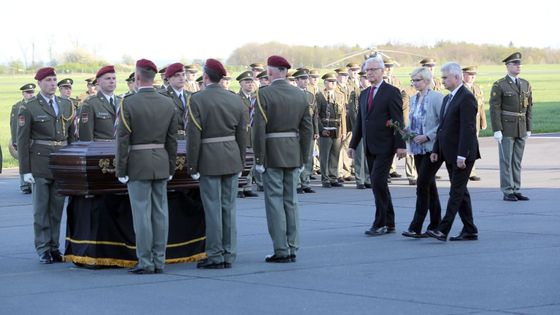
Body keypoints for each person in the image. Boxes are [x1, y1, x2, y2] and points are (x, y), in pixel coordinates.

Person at [116, 59, 178, 274]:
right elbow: (172, 140)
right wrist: (171, 167)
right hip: (161, 161)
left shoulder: (128, 103)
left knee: (142, 213)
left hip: (138, 163)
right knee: (161, 212)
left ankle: (145, 261)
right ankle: (159, 260)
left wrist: (121, 170)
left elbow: (122, 140)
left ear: (138, 77)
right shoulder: (167, 103)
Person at [187, 58, 248, 269]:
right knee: (228, 208)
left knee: (212, 209)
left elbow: (193, 137)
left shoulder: (197, 99)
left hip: (209, 159)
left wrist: (192, 166)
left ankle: (215, 254)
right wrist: (241, 161)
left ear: (205, 77)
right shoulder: (235, 100)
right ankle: (229, 253)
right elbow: (242, 135)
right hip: (231, 157)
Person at [253, 55, 312, 263]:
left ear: (270, 72)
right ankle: (292, 245)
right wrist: (304, 156)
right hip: (293, 152)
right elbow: (307, 129)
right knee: (291, 200)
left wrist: (259, 159)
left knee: (274, 202)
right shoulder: (301, 95)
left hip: (272, 153)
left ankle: (281, 248)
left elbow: (258, 129)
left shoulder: (264, 94)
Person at [17, 67, 76, 263]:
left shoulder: (66, 104)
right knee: (41, 209)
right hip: (40, 163)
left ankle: (54, 247)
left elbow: (70, 137)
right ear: (40, 83)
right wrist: (25, 170)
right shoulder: (29, 106)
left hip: (60, 162)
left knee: (56, 209)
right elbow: (23, 140)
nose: (52, 83)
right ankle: (43, 248)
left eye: (54, 80)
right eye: (48, 80)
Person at [347, 55, 406, 236]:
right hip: (369, 146)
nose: (369, 73)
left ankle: (380, 222)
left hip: (385, 145)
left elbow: (397, 120)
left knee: (378, 182)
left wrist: (401, 145)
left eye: (373, 70)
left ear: (382, 71)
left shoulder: (391, 91)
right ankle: (390, 222)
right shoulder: (364, 94)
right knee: (378, 184)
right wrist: (353, 144)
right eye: (367, 71)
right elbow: (360, 122)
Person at [427, 62, 480, 242]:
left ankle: (443, 229)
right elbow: (442, 127)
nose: (442, 81)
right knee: (461, 191)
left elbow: (468, 129)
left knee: (455, 192)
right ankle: (470, 229)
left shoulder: (466, 98)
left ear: (456, 78)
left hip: (462, 155)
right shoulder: (448, 98)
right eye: (441, 77)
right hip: (449, 153)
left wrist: (462, 155)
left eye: (445, 78)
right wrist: (436, 149)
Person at [401, 67, 444, 238]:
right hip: (418, 149)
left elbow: (444, 123)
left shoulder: (436, 98)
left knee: (422, 185)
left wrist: (428, 136)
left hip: (432, 148)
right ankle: (436, 224)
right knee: (429, 186)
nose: (414, 83)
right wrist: (407, 131)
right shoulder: (413, 99)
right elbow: (414, 121)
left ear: (426, 80)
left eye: (417, 80)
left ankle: (416, 226)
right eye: (413, 80)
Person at [490, 52, 532, 202]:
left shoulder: (525, 84)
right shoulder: (499, 84)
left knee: (516, 161)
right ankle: (507, 190)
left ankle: (516, 188)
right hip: (506, 128)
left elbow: (529, 107)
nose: (518, 66)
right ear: (507, 66)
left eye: (519, 64)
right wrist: (497, 129)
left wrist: (528, 127)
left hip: (521, 127)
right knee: (506, 161)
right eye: (515, 64)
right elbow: (495, 108)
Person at [384, 57, 416, 185]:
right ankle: (389, 171)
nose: (389, 69)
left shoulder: (396, 80)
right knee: (390, 148)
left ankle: (411, 174)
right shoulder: (407, 92)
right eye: (387, 66)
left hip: (403, 122)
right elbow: (403, 109)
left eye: (391, 66)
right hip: (392, 120)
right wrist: (402, 125)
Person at [317, 72, 347, 188]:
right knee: (325, 155)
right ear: (325, 83)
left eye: (334, 81)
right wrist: (320, 129)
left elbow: (343, 114)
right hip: (325, 128)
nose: (332, 83)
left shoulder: (340, 95)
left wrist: (344, 131)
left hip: (337, 129)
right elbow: (316, 115)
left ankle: (333, 177)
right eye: (330, 81)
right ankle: (325, 179)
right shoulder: (320, 95)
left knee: (335, 154)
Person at [78, 65, 121, 141]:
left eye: (114, 78)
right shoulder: (90, 104)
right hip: (100, 149)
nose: (112, 81)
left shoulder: (121, 102)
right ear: (98, 81)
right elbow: (86, 135)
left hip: (120, 149)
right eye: (108, 78)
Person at [293, 68, 318, 194]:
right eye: (302, 79)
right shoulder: (292, 94)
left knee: (307, 157)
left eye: (306, 78)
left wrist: (316, 130)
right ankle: (297, 183)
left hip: (308, 131)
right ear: (296, 80)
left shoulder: (310, 96)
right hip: (296, 130)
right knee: (297, 156)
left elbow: (314, 115)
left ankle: (306, 182)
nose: (305, 81)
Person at [235, 70, 259, 197]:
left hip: (254, 134)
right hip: (243, 133)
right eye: (247, 82)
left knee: (251, 161)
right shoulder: (237, 98)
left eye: (251, 82)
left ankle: (248, 186)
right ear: (240, 84)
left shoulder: (256, 98)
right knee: (242, 161)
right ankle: (239, 187)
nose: (250, 84)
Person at [10, 83, 36, 194]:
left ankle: (34, 183)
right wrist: (15, 140)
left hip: (35, 138)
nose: (30, 95)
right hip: (22, 138)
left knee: (35, 161)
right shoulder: (17, 106)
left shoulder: (37, 105)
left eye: (32, 92)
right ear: (23, 93)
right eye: (27, 93)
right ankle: (25, 185)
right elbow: (14, 124)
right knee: (23, 160)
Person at [462, 66, 487, 181]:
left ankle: (471, 171)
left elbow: (481, 106)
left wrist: (483, 121)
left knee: (473, 147)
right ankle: (463, 170)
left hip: (475, 123)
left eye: (474, 75)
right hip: (464, 122)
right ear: (464, 75)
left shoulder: (477, 89)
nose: (472, 77)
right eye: (469, 74)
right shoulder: (460, 88)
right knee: (463, 146)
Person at [159, 62, 190, 140]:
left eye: (183, 74)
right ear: (169, 78)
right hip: (172, 139)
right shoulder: (162, 96)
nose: (181, 78)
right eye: (177, 75)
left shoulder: (191, 95)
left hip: (190, 138)